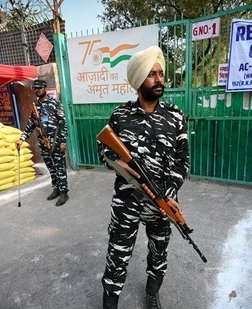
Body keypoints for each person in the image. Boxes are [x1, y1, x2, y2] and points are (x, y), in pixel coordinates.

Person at [98, 46, 190, 309]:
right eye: (152, 74)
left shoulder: (175, 117)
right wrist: (121, 167)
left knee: (158, 253)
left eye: (161, 73)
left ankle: (152, 292)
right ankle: (110, 302)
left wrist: (169, 194)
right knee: (117, 253)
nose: (159, 79)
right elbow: (104, 151)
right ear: (139, 80)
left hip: (161, 203)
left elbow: (183, 162)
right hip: (126, 202)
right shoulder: (120, 115)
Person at [16, 79, 69, 206]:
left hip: (55, 142)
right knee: (51, 167)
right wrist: (22, 138)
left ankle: (64, 193)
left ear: (45, 88)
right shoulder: (35, 107)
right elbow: (30, 125)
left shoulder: (54, 104)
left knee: (59, 167)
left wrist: (63, 142)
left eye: (39, 88)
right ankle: (56, 189)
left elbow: (63, 124)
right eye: (35, 88)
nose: (37, 90)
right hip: (43, 143)